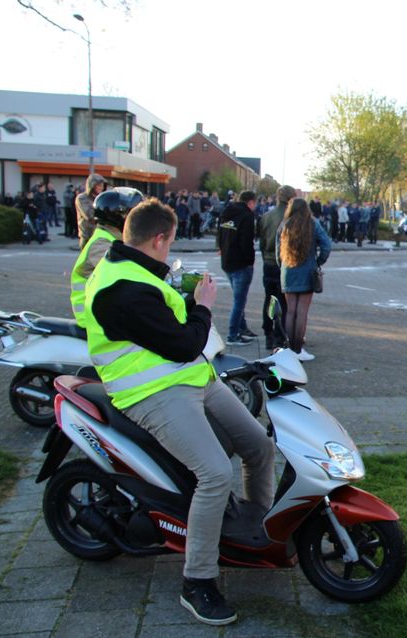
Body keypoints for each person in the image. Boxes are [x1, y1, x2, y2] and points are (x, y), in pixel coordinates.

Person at [84, 198, 274, 626]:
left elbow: (172, 329)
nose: (170, 250)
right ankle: (198, 581)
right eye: (169, 243)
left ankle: (254, 532)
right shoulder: (123, 289)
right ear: (158, 239)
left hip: (192, 379)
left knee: (259, 447)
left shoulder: (134, 266)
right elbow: (184, 342)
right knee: (214, 474)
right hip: (154, 392)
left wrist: (184, 296)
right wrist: (204, 304)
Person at [70, 187, 143, 328]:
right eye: (132, 215)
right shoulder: (101, 243)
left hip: (104, 310)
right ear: (118, 216)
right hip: (91, 316)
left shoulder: (115, 238)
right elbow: (125, 275)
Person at [277, 197, 331, 361]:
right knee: (302, 312)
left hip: (288, 270)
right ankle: (298, 350)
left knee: (290, 311)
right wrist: (318, 261)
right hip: (307, 271)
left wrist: (283, 266)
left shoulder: (284, 225)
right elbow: (326, 245)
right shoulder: (312, 224)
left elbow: (277, 251)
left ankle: (289, 348)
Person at [217, 190, 257, 346]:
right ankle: (233, 335)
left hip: (227, 261)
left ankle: (243, 327)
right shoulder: (247, 216)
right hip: (240, 263)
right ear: (250, 202)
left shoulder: (226, 212)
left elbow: (219, 235)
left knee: (238, 298)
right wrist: (250, 261)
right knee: (239, 301)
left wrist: (221, 248)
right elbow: (247, 242)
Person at [257, 184, 295, 350]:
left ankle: (268, 333)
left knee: (269, 298)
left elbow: (262, 241)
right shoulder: (291, 217)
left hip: (269, 262)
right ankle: (280, 336)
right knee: (283, 302)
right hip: (284, 262)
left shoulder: (266, 216)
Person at [76, 173, 107, 248]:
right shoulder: (82, 198)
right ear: (92, 185)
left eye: (102, 185)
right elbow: (90, 215)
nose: (101, 188)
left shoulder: (101, 198)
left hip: (100, 236)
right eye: (99, 185)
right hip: (87, 236)